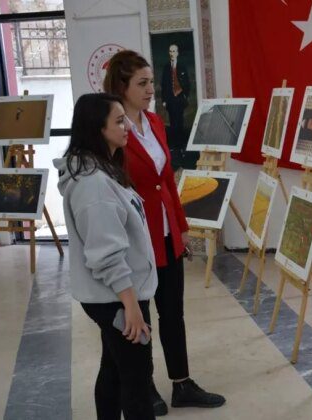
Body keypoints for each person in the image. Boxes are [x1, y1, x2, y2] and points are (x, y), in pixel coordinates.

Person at [103, 50, 225, 416]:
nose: (150, 90)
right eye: (142, 83)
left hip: (168, 232)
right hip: (136, 238)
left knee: (173, 311)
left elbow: (167, 180)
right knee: (140, 316)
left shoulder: (155, 122)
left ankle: (182, 383)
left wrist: (182, 228)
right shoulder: (114, 132)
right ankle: (145, 387)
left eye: (151, 82)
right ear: (121, 87)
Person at [55, 93, 156, 419]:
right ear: (98, 129)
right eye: (118, 120)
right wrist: (131, 306)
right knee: (137, 379)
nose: (127, 126)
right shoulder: (94, 185)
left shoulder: (102, 170)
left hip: (117, 294)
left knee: (114, 367)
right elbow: (106, 254)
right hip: (117, 297)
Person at [160, 44, 190, 147]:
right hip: (170, 98)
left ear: (177, 53)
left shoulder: (182, 66)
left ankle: (181, 142)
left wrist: (186, 95)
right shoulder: (166, 67)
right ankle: (174, 143)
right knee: (173, 120)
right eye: (170, 51)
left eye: (174, 51)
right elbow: (163, 84)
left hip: (180, 97)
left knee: (180, 119)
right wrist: (164, 99)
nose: (172, 54)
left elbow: (187, 82)